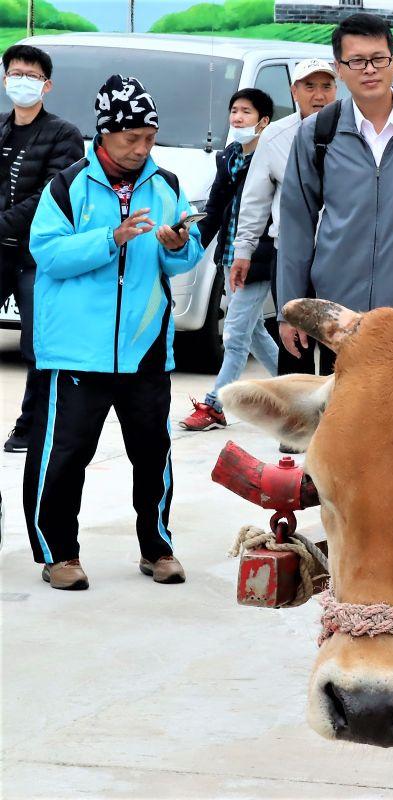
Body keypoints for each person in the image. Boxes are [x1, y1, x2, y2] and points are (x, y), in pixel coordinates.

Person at [23, 75, 203, 590]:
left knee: (152, 456)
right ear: (103, 134)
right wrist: (111, 237)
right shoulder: (66, 186)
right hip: (77, 351)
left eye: (149, 138)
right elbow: (48, 255)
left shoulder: (166, 184)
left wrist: (174, 244)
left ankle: (158, 548)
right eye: (131, 139)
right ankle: (59, 554)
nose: (141, 149)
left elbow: (184, 258)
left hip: (145, 349)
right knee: (64, 456)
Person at [277, 13, 393, 369]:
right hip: (336, 319)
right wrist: (290, 309)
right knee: (342, 419)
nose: (370, 70)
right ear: (339, 68)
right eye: (357, 61)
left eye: (379, 59)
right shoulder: (319, 133)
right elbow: (296, 223)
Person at [230, 58, 336, 383]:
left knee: (340, 355)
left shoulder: (352, 132)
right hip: (290, 256)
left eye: (326, 86)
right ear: (294, 91)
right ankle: (292, 434)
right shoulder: (275, 135)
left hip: (342, 257)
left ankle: (338, 432)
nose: (318, 95)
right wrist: (243, 250)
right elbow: (256, 198)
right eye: (309, 86)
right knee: (294, 353)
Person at [0, 45, 84, 454]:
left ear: (46, 85)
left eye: (31, 76)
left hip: (38, 256)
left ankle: (30, 426)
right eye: (15, 73)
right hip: (0, 251)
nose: (22, 82)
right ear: (4, 80)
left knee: (38, 346)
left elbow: (48, 196)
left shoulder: (64, 134)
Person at [179, 88, 279, 432]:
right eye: (234, 110)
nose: (237, 118)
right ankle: (301, 391)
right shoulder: (229, 156)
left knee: (235, 334)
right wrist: (192, 244)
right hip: (228, 256)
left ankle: (215, 405)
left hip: (258, 259)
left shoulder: (272, 157)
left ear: (264, 122)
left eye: (246, 112)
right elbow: (216, 208)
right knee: (253, 331)